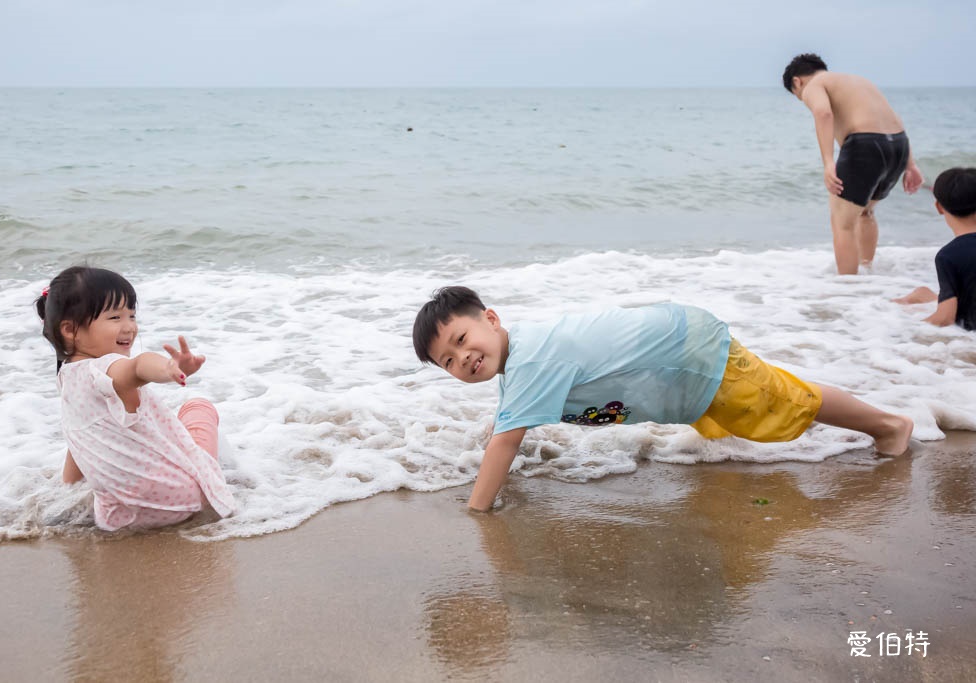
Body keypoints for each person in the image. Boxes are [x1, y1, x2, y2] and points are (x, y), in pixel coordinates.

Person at [413, 286, 914, 512]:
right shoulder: (520, 360)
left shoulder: (533, 364)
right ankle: (882, 422)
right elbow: (507, 420)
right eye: (448, 362)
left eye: (461, 340)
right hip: (679, 350)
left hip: (688, 354)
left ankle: (889, 426)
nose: (463, 359)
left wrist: (478, 510)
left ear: (491, 320)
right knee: (775, 394)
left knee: (784, 400)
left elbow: (506, 441)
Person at [36, 265, 236, 531]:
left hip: (121, 516)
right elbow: (139, 365)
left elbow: (77, 439)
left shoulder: (68, 378)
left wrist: (67, 491)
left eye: (131, 315)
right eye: (115, 317)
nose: (130, 326)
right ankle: (215, 473)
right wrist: (167, 368)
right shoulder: (106, 368)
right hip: (180, 499)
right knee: (197, 407)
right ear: (70, 330)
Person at [783, 53, 924, 274]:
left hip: (865, 146)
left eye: (798, 95)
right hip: (898, 144)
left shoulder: (814, 85)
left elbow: (823, 113)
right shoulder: (859, 81)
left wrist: (829, 163)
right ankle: (867, 273)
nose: (804, 99)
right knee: (865, 212)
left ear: (796, 82)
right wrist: (910, 164)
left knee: (842, 223)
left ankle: (849, 291)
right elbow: (892, 117)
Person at [893, 167, 976, 330]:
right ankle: (924, 295)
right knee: (925, 293)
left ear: (939, 207)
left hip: (968, 331)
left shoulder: (949, 256)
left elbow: (945, 318)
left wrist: (906, 332)